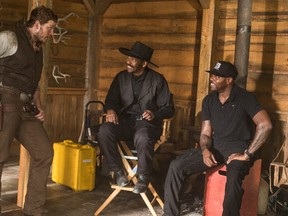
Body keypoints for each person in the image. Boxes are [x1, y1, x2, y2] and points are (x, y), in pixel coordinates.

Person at [163, 61, 272, 216]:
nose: (212, 79)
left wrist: (247, 154)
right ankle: (169, 214)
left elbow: (265, 125)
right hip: (216, 148)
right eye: (212, 75)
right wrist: (205, 150)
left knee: (233, 178)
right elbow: (206, 133)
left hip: (238, 150)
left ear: (229, 80)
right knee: (176, 166)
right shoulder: (209, 100)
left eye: (217, 76)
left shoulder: (245, 98)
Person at [0, 6, 58, 216]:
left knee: (44, 152)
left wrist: (39, 106)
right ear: (36, 25)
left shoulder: (38, 47)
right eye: (50, 28)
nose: (52, 34)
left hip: (26, 107)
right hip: (5, 101)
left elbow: (35, 83)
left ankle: (33, 210)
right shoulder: (9, 37)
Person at [98, 41, 174, 194]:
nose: (128, 61)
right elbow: (111, 99)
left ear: (144, 63)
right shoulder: (121, 77)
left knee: (143, 137)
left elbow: (169, 108)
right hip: (125, 122)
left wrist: (155, 114)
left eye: (133, 59)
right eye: (128, 58)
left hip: (147, 124)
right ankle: (119, 172)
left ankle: (143, 177)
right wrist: (111, 110)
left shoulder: (157, 80)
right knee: (104, 131)